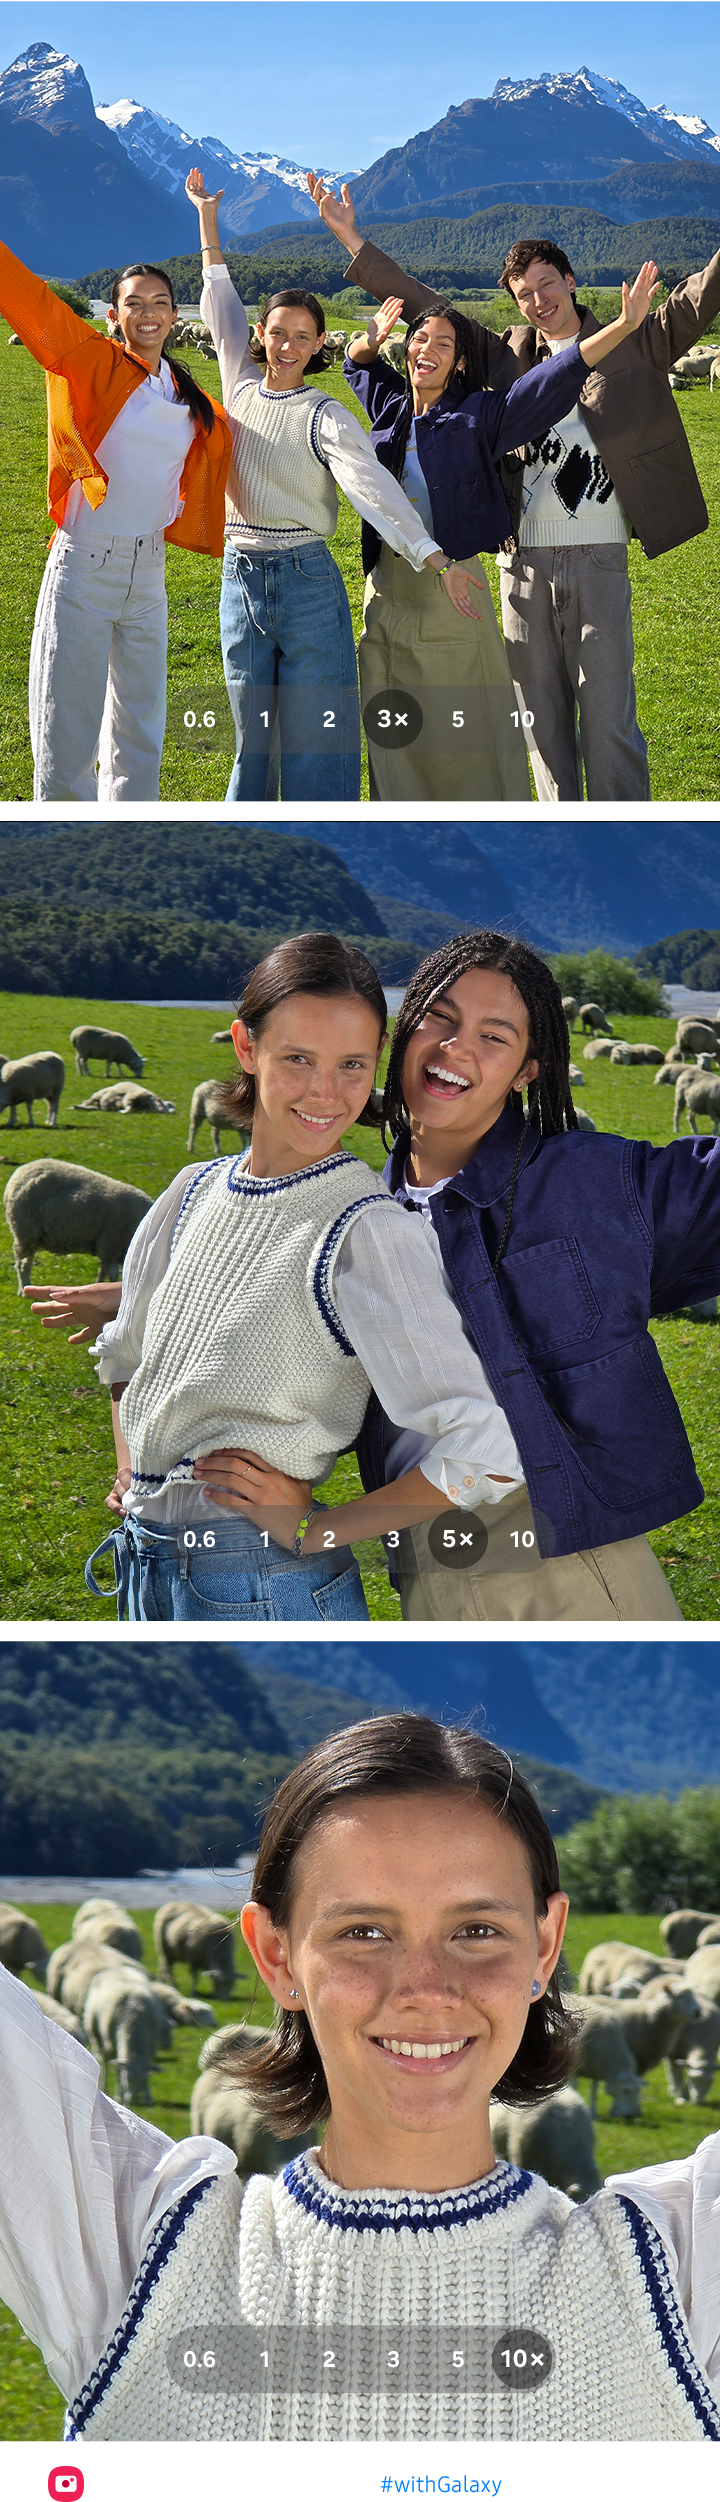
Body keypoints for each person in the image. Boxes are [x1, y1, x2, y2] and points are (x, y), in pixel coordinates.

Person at [3, 1716, 719, 2442]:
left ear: (545, 1946)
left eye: (476, 1929)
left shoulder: (674, 2288)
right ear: (276, 1954)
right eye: (363, 1932)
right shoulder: (137, 2263)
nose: (426, 1986)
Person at [198, 930, 720, 1625]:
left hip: (572, 1576)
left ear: (529, 1068)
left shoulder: (597, 1181)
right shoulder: (359, 1212)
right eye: (439, 1018)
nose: (456, 1047)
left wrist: (318, 1529)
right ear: (404, 1028)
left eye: (493, 1035)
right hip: (429, 1575)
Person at [75, 931, 479, 1626]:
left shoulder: (367, 1226)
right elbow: (124, 1359)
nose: (327, 1092)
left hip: (260, 1577)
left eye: (352, 1063)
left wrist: (324, 1527)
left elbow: (481, 1442)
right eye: (298, 1058)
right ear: (245, 1047)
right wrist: (132, 1468)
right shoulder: (188, 1192)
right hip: (142, 1563)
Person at [306, 172, 659, 803]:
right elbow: (363, 366)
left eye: (445, 343)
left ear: (461, 360)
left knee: (493, 731)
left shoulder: (481, 415)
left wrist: (624, 326)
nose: (429, 348)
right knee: (410, 730)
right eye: (420, 340)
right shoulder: (391, 409)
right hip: (387, 592)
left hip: (461, 584)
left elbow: (555, 377)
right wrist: (361, 314)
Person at [185, 168, 478, 805]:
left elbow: (373, 489)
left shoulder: (327, 416)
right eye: (276, 331)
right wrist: (208, 219)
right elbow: (218, 298)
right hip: (240, 577)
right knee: (251, 736)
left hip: (307, 583)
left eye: (302, 336)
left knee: (319, 738)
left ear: (320, 344)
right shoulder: (236, 381)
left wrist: (435, 558)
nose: (286, 344)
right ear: (259, 336)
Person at [0, 231, 233, 803]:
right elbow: (32, 302)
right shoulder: (93, 361)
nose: (147, 314)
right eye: (134, 302)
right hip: (86, 563)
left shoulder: (183, 388)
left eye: (159, 303)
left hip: (148, 572)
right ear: (113, 315)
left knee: (141, 722)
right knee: (68, 719)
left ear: (175, 316)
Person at [493, 230, 720, 803]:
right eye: (525, 293)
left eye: (548, 284)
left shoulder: (634, 337)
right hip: (520, 565)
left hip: (599, 557)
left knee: (608, 721)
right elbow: (424, 305)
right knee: (541, 729)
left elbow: (699, 297)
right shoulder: (510, 354)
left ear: (570, 283)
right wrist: (352, 241)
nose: (539, 299)